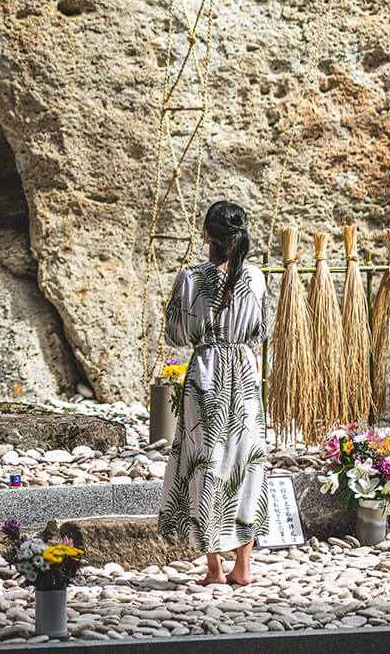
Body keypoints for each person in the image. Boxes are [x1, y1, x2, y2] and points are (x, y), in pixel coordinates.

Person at [157, 200, 270, 585]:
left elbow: (175, 335)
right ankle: (244, 566)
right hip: (244, 372)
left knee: (205, 464)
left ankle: (214, 568)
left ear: (207, 234)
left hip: (206, 373)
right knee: (246, 463)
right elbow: (260, 332)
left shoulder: (190, 277)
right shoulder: (256, 277)